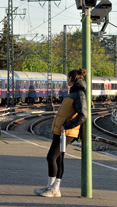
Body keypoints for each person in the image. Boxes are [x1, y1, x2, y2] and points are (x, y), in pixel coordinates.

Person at [35, 68, 88, 198]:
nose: (66, 81)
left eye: (68, 78)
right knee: (56, 158)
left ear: (72, 78)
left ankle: (55, 188)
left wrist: (66, 125)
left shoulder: (79, 93)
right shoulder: (74, 92)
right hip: (61, 131)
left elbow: (83, 115)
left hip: (67, 132)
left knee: (53, 157)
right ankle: (51, 187)